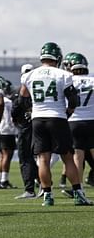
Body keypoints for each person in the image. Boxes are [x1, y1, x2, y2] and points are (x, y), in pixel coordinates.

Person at [19, 42, 92, 206]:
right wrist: (69, 111)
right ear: (57, 58)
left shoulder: (30, 75)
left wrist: (32, 110)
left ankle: (47, 195)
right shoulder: (62, 74)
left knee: (43, 159)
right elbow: (73, 99)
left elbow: (22, 98)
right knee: (67, 158)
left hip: (38, 119)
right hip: (57, 117)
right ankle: (78, 193)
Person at [12, 63, 40, 199]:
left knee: (25, 157)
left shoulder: (21, 90)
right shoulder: (39, 86)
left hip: (26, 127)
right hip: (41, 124)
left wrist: (16, 120)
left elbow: (15, 109)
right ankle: (44, 185)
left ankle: (30, 189)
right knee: (41, 157)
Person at [67, 53, 94, 192]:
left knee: (78, 155)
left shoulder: (68, 80)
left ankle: (79, 188)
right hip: (92, 120)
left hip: (74, 121)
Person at [0, 79, 19, 189]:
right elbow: (11, 117)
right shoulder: (8, 102)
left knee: (1, 156)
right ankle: (4, 180)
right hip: (7, 130)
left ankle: (0, 178)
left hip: (0, 129)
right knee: (7, 156)